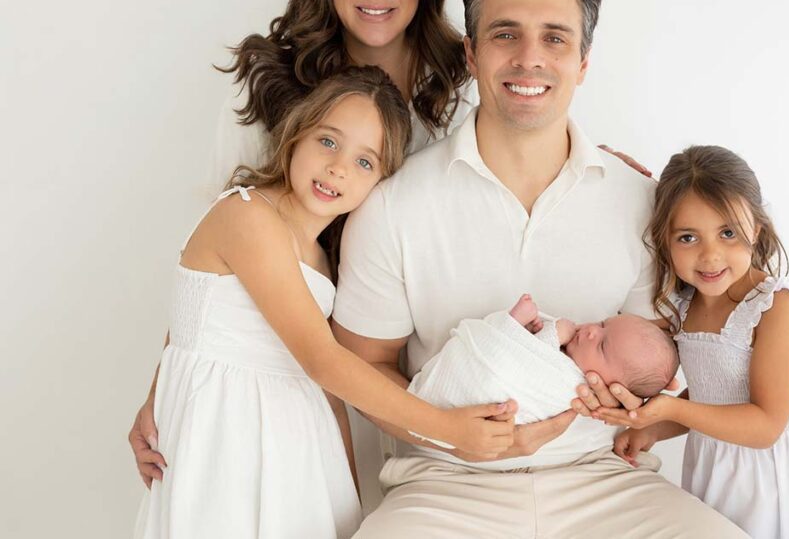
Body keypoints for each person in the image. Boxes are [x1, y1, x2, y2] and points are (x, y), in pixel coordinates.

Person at [334, 0, 744, 537]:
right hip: (445, 487)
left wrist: (637, 410)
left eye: (555, 37)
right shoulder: (395, 205)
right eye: (505, 34)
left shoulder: (640, 203)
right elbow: (363, 366)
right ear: (471, 54)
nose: (530, 58)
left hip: (603, 479)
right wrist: (454, 434)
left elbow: (656, 353)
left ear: (583, 61)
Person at [128, 0, 477, 489]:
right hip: (281, 379)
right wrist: (164, 386)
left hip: (418, 370)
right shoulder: (264, 83)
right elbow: (213, 264)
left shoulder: (460, 91)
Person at [134, 68, 515, 539]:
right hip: (224, 433)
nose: (338, 168)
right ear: (296, 133)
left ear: (381, 183)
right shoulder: (249, 216)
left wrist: (345, 489)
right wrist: (446, 429)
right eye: (329, 142)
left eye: (365, 162)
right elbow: (320, 360)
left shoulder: (319, 257)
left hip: (294, 443)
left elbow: (328, 391)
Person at [601, 145, 789, 538]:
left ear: (757, 227)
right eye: (688, 237)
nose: (710, 256)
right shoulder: (684, 307)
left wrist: (670, 410)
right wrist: (652, 428)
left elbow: (764, 425)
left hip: (776, 482)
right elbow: (711, 397)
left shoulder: (778, 311)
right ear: (664, 240)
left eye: (728, 233)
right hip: (716, 470)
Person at [408, 293, 680, 430]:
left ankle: (511, 323)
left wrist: (553, 333)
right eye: (602, 324)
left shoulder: (572, 385)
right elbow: (529, 357)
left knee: (498, 363)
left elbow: (532, 372)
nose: (590, 331)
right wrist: (532, 337)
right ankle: (511, 326)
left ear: (615, 388)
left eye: (602, 345)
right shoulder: (569, 357)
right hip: (449, 412)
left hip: (485, 386)